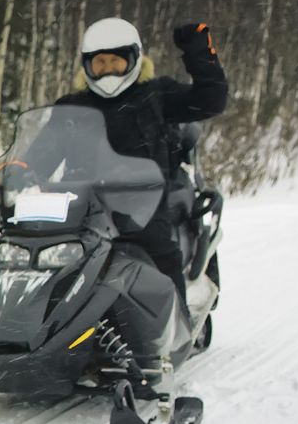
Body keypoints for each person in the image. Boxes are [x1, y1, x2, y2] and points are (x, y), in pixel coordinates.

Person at [56, 16, 228, 290]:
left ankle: (177, 315)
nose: (108, 69)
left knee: (162, 265)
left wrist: (199, 52)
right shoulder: (71, 107)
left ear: (134, 59)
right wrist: (17, 170)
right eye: (100, 62)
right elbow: (43, 151)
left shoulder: (157, 95)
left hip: (143, 211)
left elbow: (210, 101)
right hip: (81, 212)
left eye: (116, 61)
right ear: (87, 65)